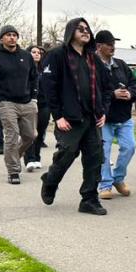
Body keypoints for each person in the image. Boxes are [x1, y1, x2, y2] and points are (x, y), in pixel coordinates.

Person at [39, 18, 112, 215]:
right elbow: (48, 86)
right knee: (67, 154)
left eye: (87, 29)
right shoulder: (57, 55)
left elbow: (107, 86)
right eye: (80, 29)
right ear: (71, 32)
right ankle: (51, 180)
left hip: (92, 118)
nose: (85, 31)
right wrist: (58, 115)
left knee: (95, 158)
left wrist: (103, 110)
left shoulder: (93, 58)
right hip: (69, 118)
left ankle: (89, 199)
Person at [0, 25, 39, 184]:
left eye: (14, 35)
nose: (12, 37)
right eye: (8, 35)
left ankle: (14, 156)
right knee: (12, 136)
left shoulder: (26, 56)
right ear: (2, 38)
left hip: (27, 101)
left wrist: (34, 97)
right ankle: (13, 171)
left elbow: (34, 77)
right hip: (6, 102)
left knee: (30, 136)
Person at [95, 30, 136, 199]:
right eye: (109, 44)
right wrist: (112, 94)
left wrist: (130, 94)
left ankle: (118, 178)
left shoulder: (121, 64)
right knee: (104, 152)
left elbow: (134, 83)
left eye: (114, 44)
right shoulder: (92, 65)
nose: (113, 47)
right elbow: (90, 91)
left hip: (124, 117)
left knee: (130, 147)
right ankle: (105, 185)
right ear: (99, 46)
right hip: (104, 118)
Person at [23, 45, 52, 173]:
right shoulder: (23, 69)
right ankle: (29, 158)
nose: (36, 54)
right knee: (30, 133)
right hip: (28, 103)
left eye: (39, 52)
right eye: (33, 52)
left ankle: (36, 156)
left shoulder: (45, 69)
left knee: (40, 131)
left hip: (44, 104)